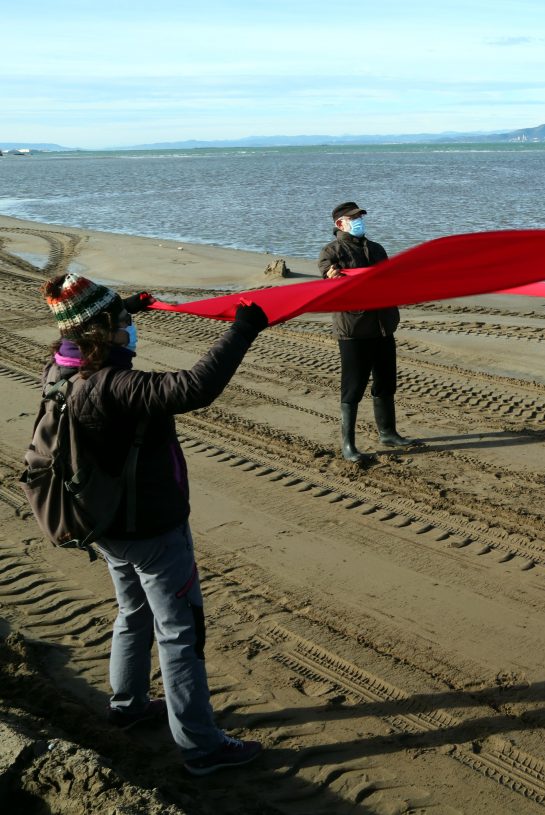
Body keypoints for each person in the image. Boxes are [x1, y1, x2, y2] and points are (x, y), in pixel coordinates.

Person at [41, 273, 269, 773]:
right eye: (123, 322)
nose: (131, 326)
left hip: (106, 526)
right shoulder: (116, 386)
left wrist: (126, 307)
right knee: (179, 632)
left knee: (133, 611)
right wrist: (243, 329)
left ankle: (127, 705)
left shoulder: (62, 372)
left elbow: (75, 337)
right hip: (152, 530)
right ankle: (201, 746)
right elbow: (194, 387)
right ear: (106, 333)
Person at [318, 201, 413, 461]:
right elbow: (325, 279)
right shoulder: (332, 251)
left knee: (385, 382)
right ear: (340, 223)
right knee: (353, 387)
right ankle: (348, 446)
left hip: (383, 326)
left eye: (360, 216)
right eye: (354, 217)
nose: (359, 220)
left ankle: (388, 432)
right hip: (354, 329)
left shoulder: (376, 249)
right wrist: (331, 278)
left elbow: (389, 280)